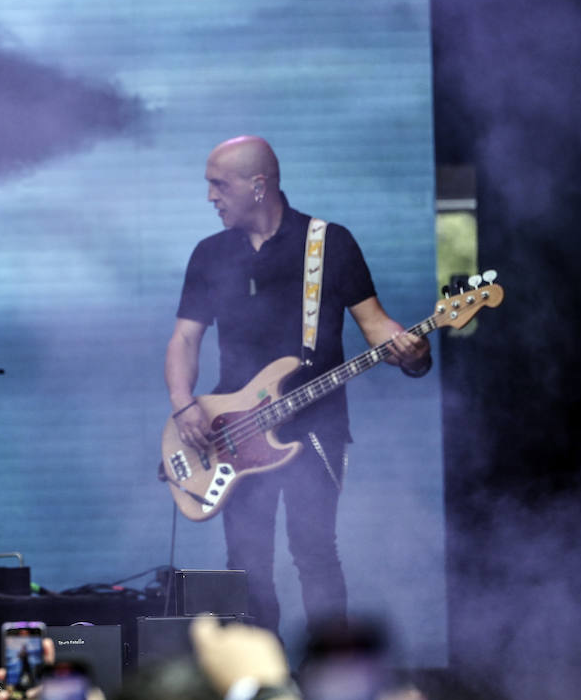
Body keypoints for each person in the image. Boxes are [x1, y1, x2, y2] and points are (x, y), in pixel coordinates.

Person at [164, 136, 430, 636]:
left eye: (219, 185)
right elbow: (184, 338)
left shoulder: (330, 244)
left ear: (258, 186)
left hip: (316, 427)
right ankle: (260, 688)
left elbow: (377, 328)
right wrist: (184, 405)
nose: (210, 197)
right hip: (234, 432)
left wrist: (413, 354)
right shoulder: (209, 254)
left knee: (314, 552)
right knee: (246, 564)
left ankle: (332, 686)